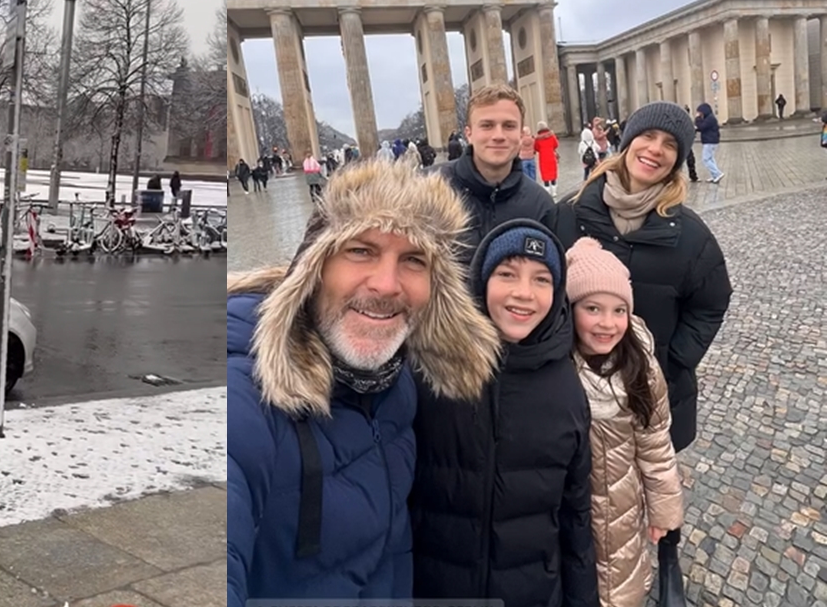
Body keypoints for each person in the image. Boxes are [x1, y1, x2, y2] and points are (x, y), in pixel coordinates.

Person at [227, 159, 502, 607]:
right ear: (314, 266)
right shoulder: (243, 395)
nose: (387, 284)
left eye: (413, 259)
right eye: (361, 251)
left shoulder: (397, 383)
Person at [552, 101, 732, 599]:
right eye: (647, 137)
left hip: (657, 389)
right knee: (596, 486)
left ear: (677, 161)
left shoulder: (689, 232)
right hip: (581, 389)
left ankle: (668, 555)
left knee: (659, 473)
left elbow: (712, 302)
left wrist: (672, 363)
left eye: (670, 145)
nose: (655, 150)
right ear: (627, 142)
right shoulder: (570, 213)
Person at [411, 219, 598, 607]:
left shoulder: (566, 389)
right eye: (507, 274)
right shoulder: (431, 369)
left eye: (541, 279)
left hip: (532, 592)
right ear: (481, 281)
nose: (523, 293)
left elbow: (575, 515)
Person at [565, 237, 684, 607]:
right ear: (570, 309)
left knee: (620, 588)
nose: (607, 323)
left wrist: (664, 509)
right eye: (593, 308)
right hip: (571, 511)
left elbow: (655, 444)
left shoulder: (639, 368)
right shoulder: (557, 368)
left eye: (619, 311)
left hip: (622, 507)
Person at [428, 84, 555, 265]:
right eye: (487, 125)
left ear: (521, 134)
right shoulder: (424, 191)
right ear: (469, 134)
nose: (498, 135)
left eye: (509, 126)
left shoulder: (541, 205)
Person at [693, 103, 724, 183]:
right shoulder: (709, 118)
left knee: (706, 159)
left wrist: (697, 118)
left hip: (710, 141)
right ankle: (715, 175)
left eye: (700, 112)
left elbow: (702, 127)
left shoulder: (710, 119)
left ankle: (717, 173)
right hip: (711, 141)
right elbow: (702, 128)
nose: (699, 114)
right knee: (710, 158)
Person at [535, 120, 561, 193]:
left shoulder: (538, 138)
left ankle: (547, 191)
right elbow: (556, 144)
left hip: (543, 158)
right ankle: (554, 191)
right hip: (551, 156)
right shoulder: (551, 135)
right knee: (553, 174)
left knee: (545, 175)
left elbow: (536, 148)